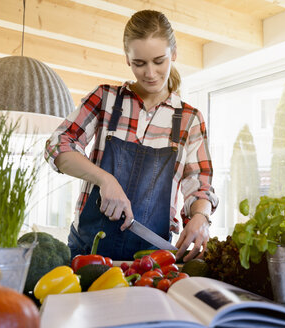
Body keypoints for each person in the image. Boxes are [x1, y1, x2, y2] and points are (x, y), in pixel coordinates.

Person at [45, 9, 218, 262]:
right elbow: (57, 146)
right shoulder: (105, 99)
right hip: (87, 252)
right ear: (128, 59)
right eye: (140, 63)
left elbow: (200, 186)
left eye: (159, 61)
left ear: (174, 53)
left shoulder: (190, 119)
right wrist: (105, 180)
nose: (150, 73)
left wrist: (201, 217)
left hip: (151, 259)